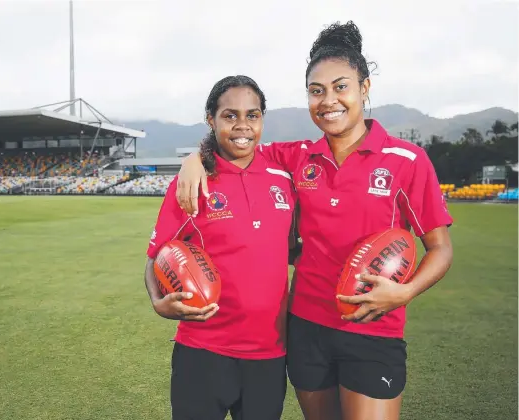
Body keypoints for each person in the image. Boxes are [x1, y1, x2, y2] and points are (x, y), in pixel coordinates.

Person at [174, 21, 454, 420]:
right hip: (305, 327)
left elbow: (441, 249)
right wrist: (193, 158)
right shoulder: (296, 157)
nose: (329, 100)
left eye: (341, 87)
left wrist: (404, 294)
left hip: (373, 328)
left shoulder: (407, 161)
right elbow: (236, 138)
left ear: (364, 88)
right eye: (316, 91)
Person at [144, 75, 298, 420]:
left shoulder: (284, 176)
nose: (242, 126)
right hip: (203, 351)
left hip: (269, 354)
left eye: (252, 115)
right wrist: (158, 302)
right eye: (230, 116)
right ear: (210, 119)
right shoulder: (191, 182)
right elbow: (157, 256)